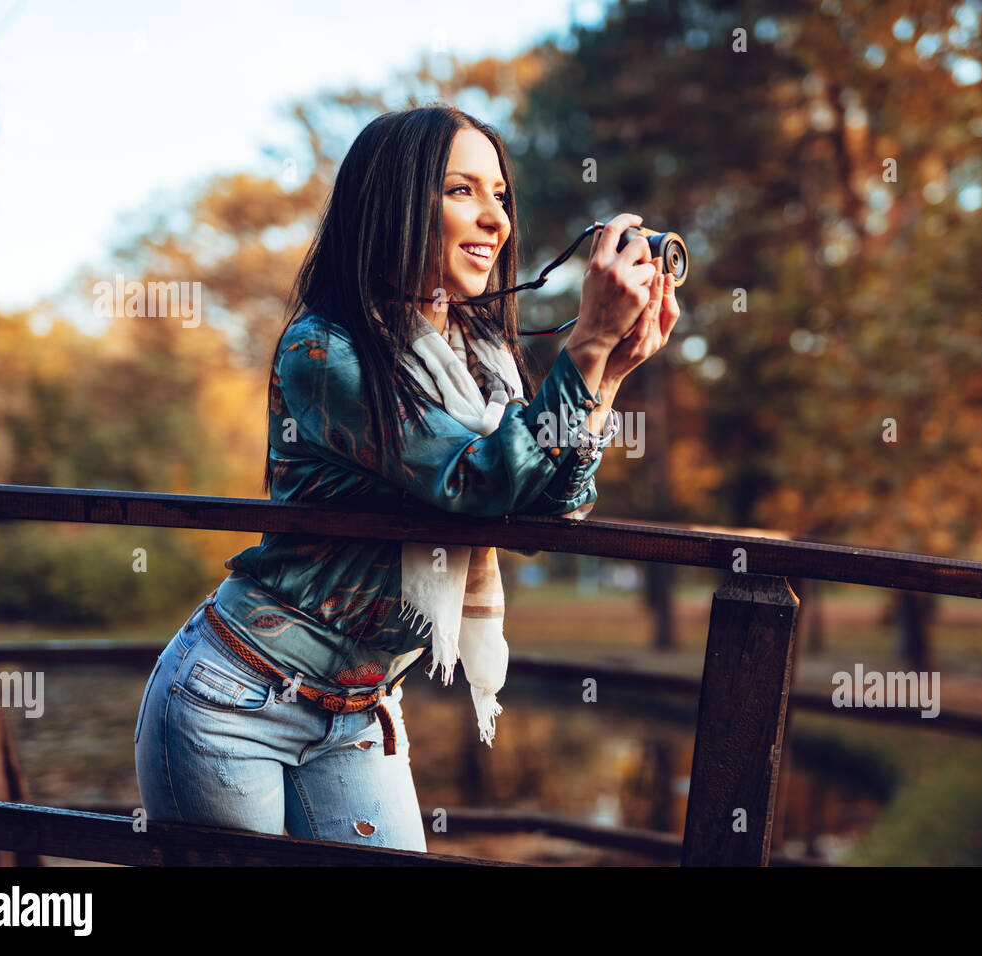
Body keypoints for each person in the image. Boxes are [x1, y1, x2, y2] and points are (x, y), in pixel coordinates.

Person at [133, 104, 680, 852]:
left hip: (358, 709)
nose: (496, 221)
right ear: (393, 204)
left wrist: (609, 371)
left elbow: (547, 513)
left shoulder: (478, 358)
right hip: (234, 701)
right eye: (461, 192)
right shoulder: (325, 354)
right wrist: (583, 349)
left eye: (500, 196)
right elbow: (474, 485)